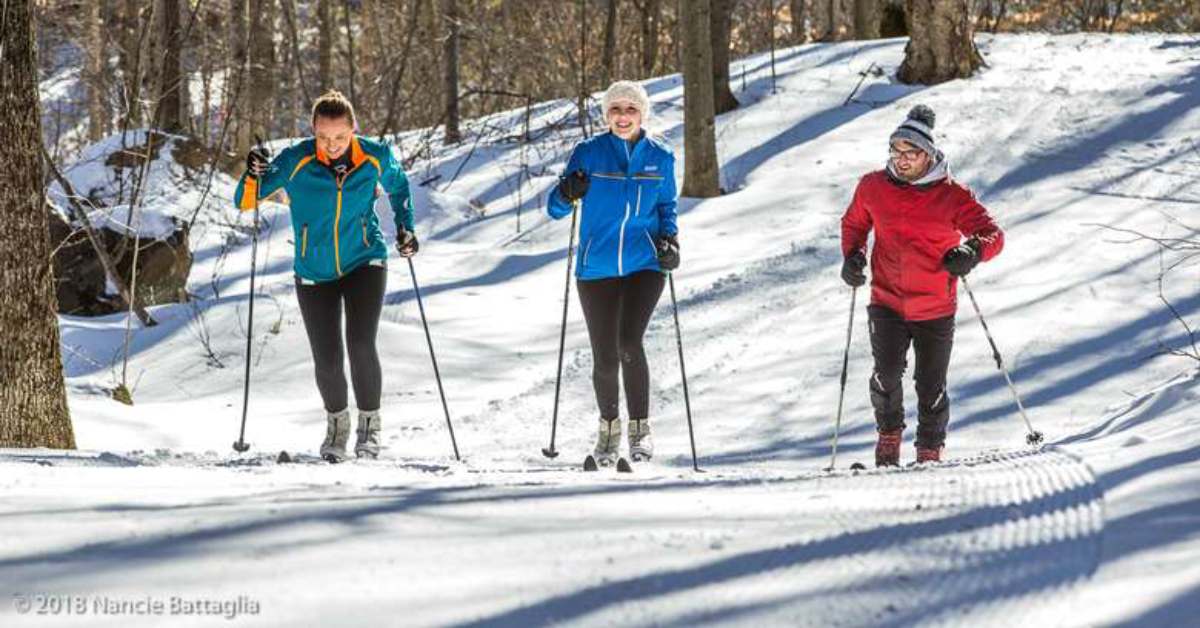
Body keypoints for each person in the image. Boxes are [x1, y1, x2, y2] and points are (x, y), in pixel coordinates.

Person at [233, 90, 418, 462]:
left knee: (361, 344)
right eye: (323, 137)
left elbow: (399, 186)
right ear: (313, 131)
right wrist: (252, 172)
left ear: (353, 130)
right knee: (328, 359)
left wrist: (406, 227)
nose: (332, 145)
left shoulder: (374, 156)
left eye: (339, 137)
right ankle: (338, 427)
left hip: (365, 259)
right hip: (314, 271)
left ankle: (370, 428)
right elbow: (245, 200)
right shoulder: (295, 160)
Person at [840, 104, 1005, 467]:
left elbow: (993, 234)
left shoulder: (952, 195)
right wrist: (852, 256)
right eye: (895, 151)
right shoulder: (873, 187)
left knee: (930, 384)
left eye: (910, 153)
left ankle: (929, 447)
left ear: (928, 155)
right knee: (885, 375)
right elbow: (854, 224)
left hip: (935, 306)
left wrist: (972, 251)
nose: (901, 160)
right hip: (886, 301)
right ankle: (889, 434)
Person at [546, 80, 680, 466]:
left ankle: (640, 432)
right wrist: (568, 191)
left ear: (643, 114)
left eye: (631, 109)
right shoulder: (588, 153)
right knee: (605, 357)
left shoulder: (661, 156)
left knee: (628, 343)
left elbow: (667, 205)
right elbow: (554, 209)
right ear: (606, 115)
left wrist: (670, 240)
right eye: (616, 110)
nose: (623, 117)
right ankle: (608, 432)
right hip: (597, 267)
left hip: (645, 263)